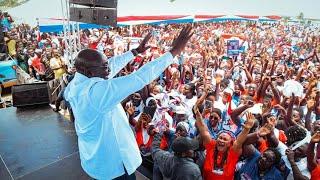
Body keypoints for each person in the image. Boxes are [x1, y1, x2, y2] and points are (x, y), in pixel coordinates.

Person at [63, 25, 193, 179]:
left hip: (95, 158)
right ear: (90, 72)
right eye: (104, 68)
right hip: (114, 164)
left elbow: (110, 65)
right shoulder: (96, 92)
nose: (108, 72)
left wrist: (135, 52)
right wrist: (173, 52)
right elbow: (139, 77)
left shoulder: (76, 83)